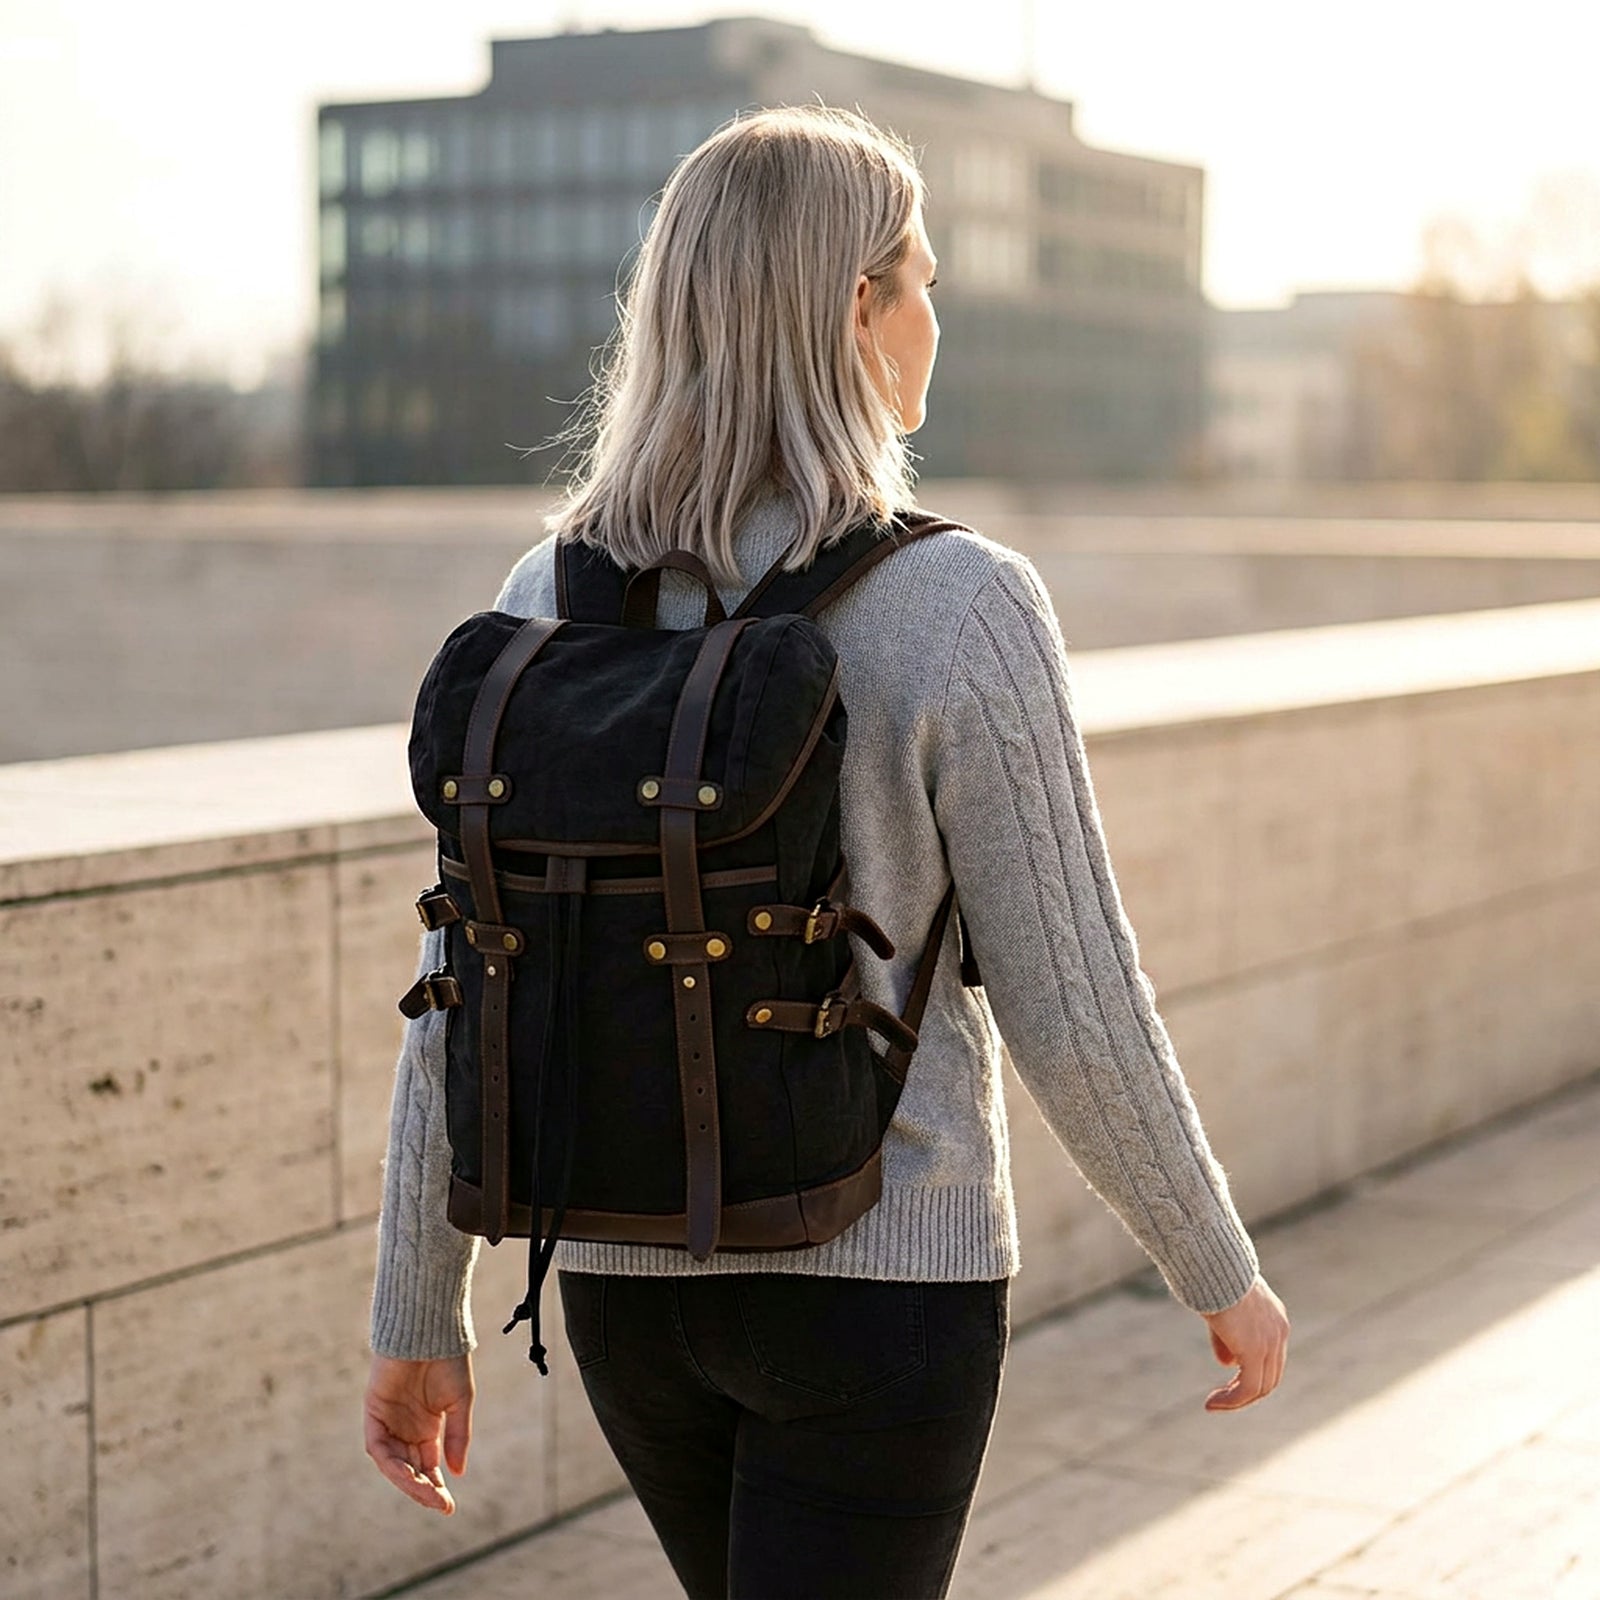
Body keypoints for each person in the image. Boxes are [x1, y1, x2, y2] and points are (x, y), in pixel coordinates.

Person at [363, 104, 1290, 1600]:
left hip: (620, 1280)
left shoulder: (549, 592)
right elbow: (1075, 996)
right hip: (882, 1282)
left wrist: (418, 1310)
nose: (937, 313)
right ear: (856, 309)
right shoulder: (963, 603)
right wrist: (1216, 1267)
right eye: (919, 277)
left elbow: (459, 984)